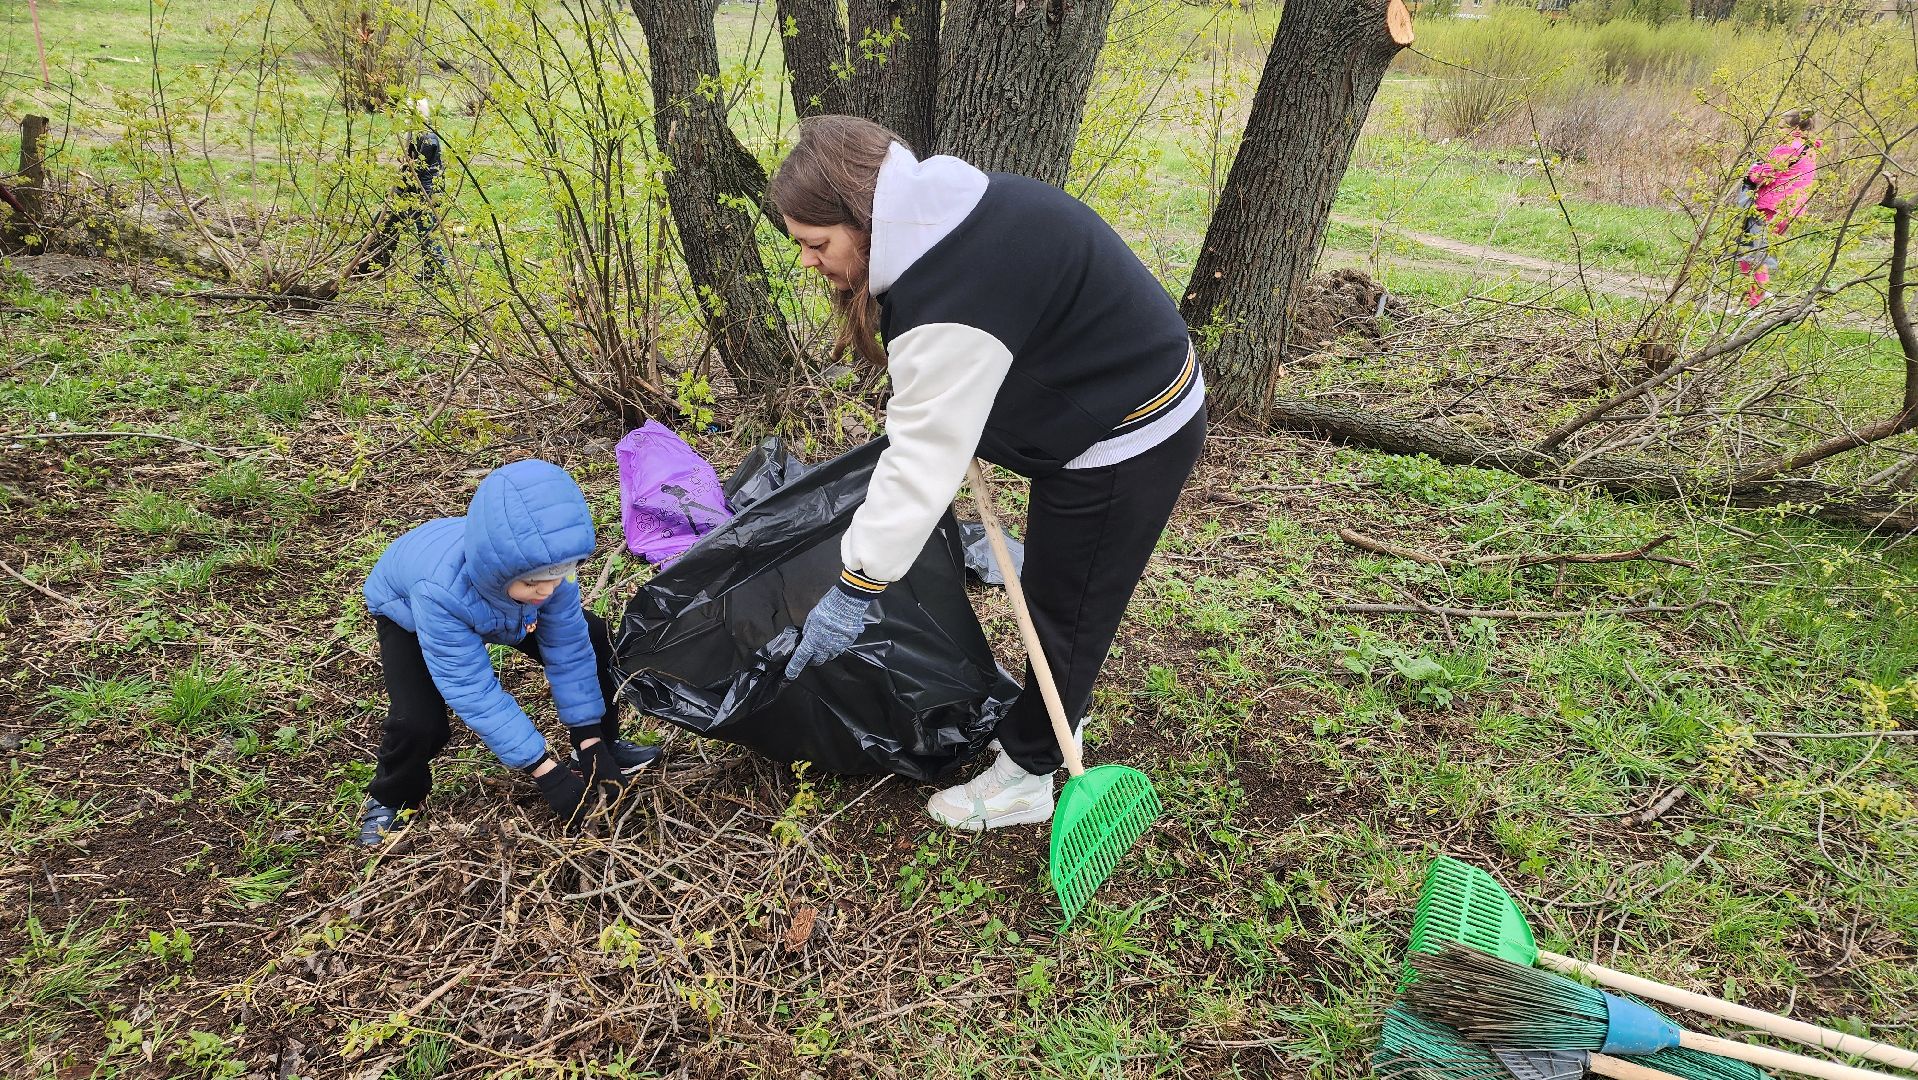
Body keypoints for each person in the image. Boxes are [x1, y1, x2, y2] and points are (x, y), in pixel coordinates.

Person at [770, 115, 1206, 832]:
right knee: (1060, 587)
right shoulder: (947, 212)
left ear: (863, 216)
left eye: (817, 244)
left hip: (1129, 430)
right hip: (1100, 385)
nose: (810, 262)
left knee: (1068, 608)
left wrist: (857, 584)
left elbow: (919, 462)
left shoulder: (949, 297)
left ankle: (1030, 774)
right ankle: (1056, 717)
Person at [356, 459, 659, 845]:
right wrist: (546, 772)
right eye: (535, 583)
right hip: (408, 609)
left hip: (505, 602)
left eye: (557, 577)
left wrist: (589, 740)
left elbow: (569, 650)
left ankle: (603, 746)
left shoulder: (548, 571)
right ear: (503, 573)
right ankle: (392, 798)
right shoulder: (440, 593)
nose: (547, 591)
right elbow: (473, 689)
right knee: (418, 720)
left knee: (595, 636)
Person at [1734, 109, 1820, 309]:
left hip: (1769, 207)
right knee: (1759, 252)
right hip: (1789, 210)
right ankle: (1757, 295)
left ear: (1795, 128)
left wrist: (1752, 170)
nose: (1777, 130)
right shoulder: (1810, 149)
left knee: (1753, 254)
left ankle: (1754, 304)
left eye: (1782, 127)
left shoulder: (1788, 148)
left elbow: (1762, 176)